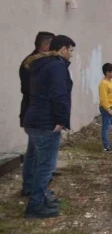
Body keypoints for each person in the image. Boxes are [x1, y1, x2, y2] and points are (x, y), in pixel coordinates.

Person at [22, 35, 75, 219]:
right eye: (71, 50)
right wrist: (61, 121)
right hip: (47, 123)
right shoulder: (57, 66)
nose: (72, 55)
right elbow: (59, 95)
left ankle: (41, 196)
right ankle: (35, 206)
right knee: (45, 167)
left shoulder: (40, 65)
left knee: (37, 162)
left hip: (33, 120)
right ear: (62, 49)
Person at [18, 31, 55, 197]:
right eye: (53, 46)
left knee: (33, 153)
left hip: (31, 114)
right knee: (40, 157)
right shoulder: (34, 64)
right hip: (37, 115)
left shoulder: (33, 62)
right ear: (45, 46)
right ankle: (37, 194)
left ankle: (30, 186)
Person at [99, 63, 112, 152]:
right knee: (106, 127)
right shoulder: (103, 83)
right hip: (107, 108)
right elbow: (103, 99)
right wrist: (108, 109)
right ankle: (106, 146)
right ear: (107, 72)